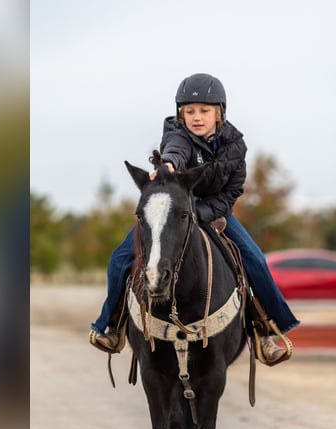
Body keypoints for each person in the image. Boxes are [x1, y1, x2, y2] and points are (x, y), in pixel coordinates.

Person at [89, 73, 299, 365]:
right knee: (120, 259)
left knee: (255, 260)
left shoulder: (236, 147)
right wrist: (170, 165)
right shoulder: (177, 135)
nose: (196, 117)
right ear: (181, 114)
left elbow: (233, 190)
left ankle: (266, 330)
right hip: (174, 210)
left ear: (219, 113)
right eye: (189, 111)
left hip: (216, 211)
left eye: (204, 110)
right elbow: (176, 151)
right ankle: (111, 325)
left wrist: (201, 215)